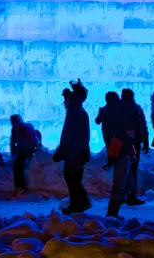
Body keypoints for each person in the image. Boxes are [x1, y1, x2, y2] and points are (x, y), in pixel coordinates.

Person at [56, 80, 92, 215]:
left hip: (75, 153)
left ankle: (81, 202)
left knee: (72, 178)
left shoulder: (75, 113)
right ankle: (77, 203)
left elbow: (70, 135)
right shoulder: (77, 112)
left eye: (66, 99)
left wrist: (62, 150)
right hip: (75, 153)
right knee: (71, 177)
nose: (64, 102)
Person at [103, 92, 135, 218]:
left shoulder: (108, 113)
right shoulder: (116, 114)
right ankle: (112, 213)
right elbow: (123, 134)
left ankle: (114, 209)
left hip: (118, 150)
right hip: (120, 151)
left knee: (126, 183)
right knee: (121, 183)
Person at [121, 88, 149, 206]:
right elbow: (142, 126)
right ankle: (131, 196)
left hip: (121, 142)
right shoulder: (136, 108)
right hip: (134, 143)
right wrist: (145, 141)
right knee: (132, 169)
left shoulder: (119, 108)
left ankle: (122, 195)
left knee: (123, 169)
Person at [10, 114, 38, 196]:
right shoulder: (29, 125)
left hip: (23, 149)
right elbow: (36, 136)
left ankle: (19, 187)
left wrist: (13, 153)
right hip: (32, 147)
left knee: (17, 166)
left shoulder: (15, 127)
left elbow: (12, 142)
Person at [95, 91, 120, 170]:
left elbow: (97, 121)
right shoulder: (120, 108)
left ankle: (111, 164)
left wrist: (100, 113)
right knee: (115, 149)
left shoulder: (104, 109)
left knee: (110, 148)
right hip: (117, 132)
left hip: (107, 133)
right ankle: (113, 164)